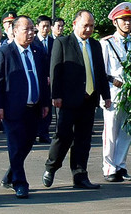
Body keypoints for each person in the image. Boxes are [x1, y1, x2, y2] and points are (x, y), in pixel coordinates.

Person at [42, 10, 110, 190]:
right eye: (85, 26)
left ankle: (80, 175)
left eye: (91, 26)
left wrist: (106, 96)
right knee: (63, 136)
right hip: (68, 100)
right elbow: (55, 70)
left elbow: (100, 72)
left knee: (83, 140)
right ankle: (51, 167)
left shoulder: (95, 45)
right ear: (74, 24)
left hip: (89, 99)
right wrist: (55, 95)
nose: (88, 29)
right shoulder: (63, 43)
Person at [0, 16, 50, 199]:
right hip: (12, 108)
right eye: (27, 29)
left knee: (27, 143)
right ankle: (20, 182)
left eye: (33, 29)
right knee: (15, 146)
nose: (31, 33)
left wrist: (45, 102)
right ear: (15, 31)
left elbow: (43, 80)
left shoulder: (38, 51)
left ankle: (9, 176)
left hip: (33, 107)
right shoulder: (5, 52)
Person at [100, 2, 131, 182]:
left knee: (126, 130)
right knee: (111, 131)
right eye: (123, 20)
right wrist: (111, 82)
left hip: (129, 94)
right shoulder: (106, 43)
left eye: (129, 19)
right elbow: (100, 70)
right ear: (115, 22)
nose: (127, 23)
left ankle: (120, 165)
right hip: (113, 93)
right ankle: (109, 167)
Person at [31, 15, 54, 143]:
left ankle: (44, 133)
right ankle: (34, 132)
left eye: (47, 26)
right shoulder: (32, 42)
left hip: (50, 80)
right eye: (43, 26)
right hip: (37, 78)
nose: (45, 29)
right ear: (37, 26)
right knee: (36, 106)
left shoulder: (54, 42)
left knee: (47, 107)